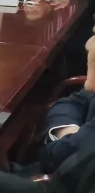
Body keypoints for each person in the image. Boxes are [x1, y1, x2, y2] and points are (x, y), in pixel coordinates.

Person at [37, 34, 95, 173]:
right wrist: (67, 131)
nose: (88, 42)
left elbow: (55, 159)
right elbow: (70, 102)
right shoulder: (91, 91)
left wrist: (69, 140)